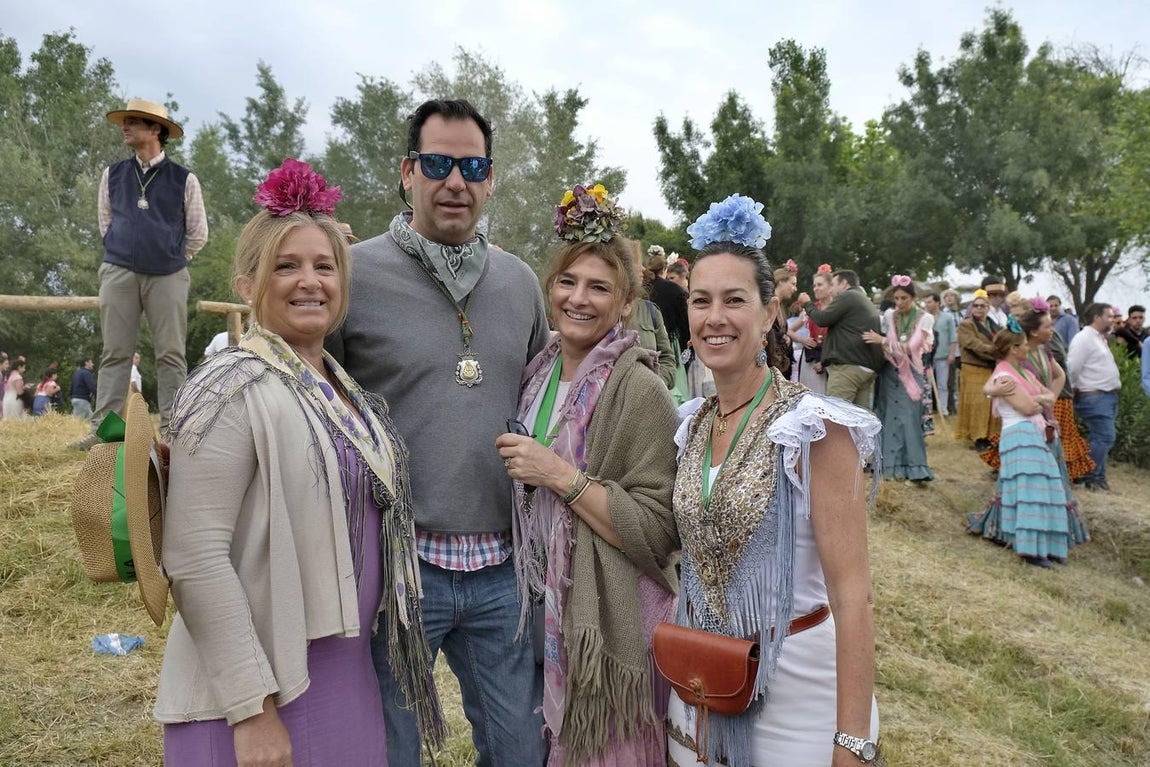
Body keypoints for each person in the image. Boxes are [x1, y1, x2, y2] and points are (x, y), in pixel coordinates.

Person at [154, 159, 439, 765]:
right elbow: (194, 556)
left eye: (324, 266)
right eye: (286, 266)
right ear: (247, 282)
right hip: (260, 694)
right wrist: (251, 710)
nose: (309, 281)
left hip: (345, 679)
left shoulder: (341, 387)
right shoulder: (226, 386)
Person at [326, 98, 550, 765]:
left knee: (520, 749)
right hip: (400, 567)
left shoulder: (521, 284)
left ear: (489, 179)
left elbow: (546, 398)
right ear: (407, 171)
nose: (455, 181)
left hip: (502, 569)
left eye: (472, 165)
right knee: (390, 751)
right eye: (438, 163)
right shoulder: (351, 273)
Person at [669, 196, 881, 767]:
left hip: (798, 701)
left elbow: (852, 596)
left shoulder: (814, 428)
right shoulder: (690, 426)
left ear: (769, 315)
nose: (715, 317)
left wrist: (853, 742)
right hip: (701, 687)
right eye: (701, 301)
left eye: (734, 300)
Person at [495, 184, 679, 765]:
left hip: (600, 617)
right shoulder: (536, 371)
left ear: (625, 303)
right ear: (550, 291)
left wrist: (559, 475)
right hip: (531, 600)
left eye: (599, 287)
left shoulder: (641, 390)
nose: (580, 299)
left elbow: (656, 531)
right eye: (568, 283)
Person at [70, 99, 208, 450]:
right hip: (119, 271)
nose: (124, 127)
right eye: (124, 121)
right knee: (115, 352)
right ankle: (105, 432)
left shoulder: (184, 179)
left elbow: (198, 232)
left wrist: (174, 257)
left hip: (168, 275)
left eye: (132, 122)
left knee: (171, 354)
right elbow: (106, 222)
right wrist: (118, 252)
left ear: (156, 130)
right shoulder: (112, 174)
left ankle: (176, 432)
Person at [968, 319, 1089, 567]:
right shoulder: (1005, 375)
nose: (1027, 349)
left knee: (1045, 488)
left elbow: (1045, 395)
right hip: (1018, 435)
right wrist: (1041, 399)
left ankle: (1045, 546)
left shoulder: (1021, 372)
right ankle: (1031, 549)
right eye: (1023, 345)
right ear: (1013, 349)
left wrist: (1041, 398)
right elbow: (1028, 406)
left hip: (1030, 433)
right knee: (1031, 492)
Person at [863, 276, 934, 484]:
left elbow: (912, 347)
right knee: (888, 417)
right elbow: (890, 347)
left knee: (909, 419)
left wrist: (883, 340)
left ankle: (915, 468)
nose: (899, 302)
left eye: (904, 298)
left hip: (912, 374)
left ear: (913, 298)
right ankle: (889, 467)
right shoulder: (890, 315)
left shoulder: (924, 318)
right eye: (896, 298)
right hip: (890, 372)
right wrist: (887, 343)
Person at [797, 269, 884, 410]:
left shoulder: (849, 296)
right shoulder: (862, 299)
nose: (832, 289)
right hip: (865, 367)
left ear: (844, 283)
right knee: (860, 423)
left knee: (836, 417)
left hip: (848, 368)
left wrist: (807, 304)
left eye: (834, 284)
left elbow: (823, 319)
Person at [1067, 303, 1121, 492]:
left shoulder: (1099, 338)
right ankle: (1089, 476)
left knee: (1101, 438)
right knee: (1104, 436)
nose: (1112, 320)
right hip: (1094, 396)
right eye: (1109, 316)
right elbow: (1072, 368)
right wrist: (1071, 392)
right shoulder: (1084, 338)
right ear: (1097, 317)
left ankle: (1098, 479)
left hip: (1106, 396)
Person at [954, 290, 1000, 449]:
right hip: (973, 367)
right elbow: (972, 344)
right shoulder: (966, 324)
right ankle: (978, 437)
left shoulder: (993, 325)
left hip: (990, 368)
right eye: (976, 306)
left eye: (982, 306)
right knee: (977, 404)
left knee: (990, 403)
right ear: (971, 308)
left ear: (988, 308)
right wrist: (996, 352)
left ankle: (989, 436)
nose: (979, 309)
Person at [645, 246, 691, 355]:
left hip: (645, 341)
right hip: (669, 343)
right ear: (664, 269)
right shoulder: (675, 290)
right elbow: (684, 323)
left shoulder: (641, 288)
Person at [924, 292, 957, 417]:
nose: (927, 305)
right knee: (927, 384)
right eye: (926, 302)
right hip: (927, 356)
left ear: (937, 302)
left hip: (943, 356)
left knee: (943, 384)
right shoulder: (924, 318)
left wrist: (952, 354)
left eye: (929, 302)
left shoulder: (947, 317)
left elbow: (953, 337)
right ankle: (928, 409)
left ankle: (943, 408)